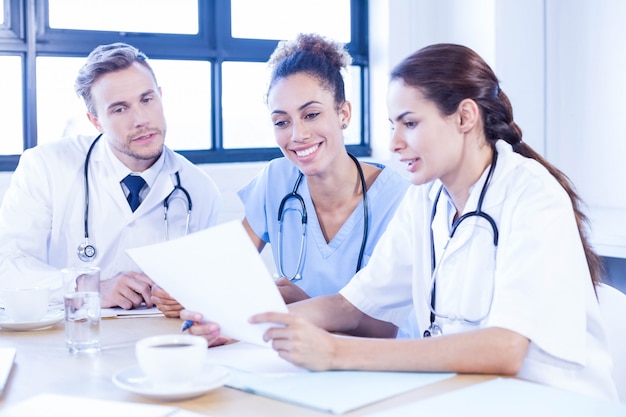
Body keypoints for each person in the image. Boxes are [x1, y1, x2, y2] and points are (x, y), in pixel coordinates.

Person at [182, 43, 618, 401]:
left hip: (550, 401)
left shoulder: (532, 195)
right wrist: (239, 324)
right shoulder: (426, 199)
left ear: (465, 117)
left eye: (409, 123)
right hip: (467, 394)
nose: (393, 143)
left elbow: (503, 349)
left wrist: (336, 352)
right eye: (393, 124)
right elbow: (351, 304)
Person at [0, 42, 222, 317]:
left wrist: (188, 296)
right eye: (119, 109)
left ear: (161, 97)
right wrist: (87, 288)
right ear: (95, 121)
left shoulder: (198, 189)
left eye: (147, 99)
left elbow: (208, 287)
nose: (140, 119)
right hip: (70, 338)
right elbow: (7, 267)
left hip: (159, 340)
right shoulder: (46, 166)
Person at [236, 33, 412, 336]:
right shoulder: (275, 180)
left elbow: (389, 329)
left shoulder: (400, 200)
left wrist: (306, 308)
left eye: (311, 114)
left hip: (377, 368)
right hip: (295, 357)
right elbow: (225, 270)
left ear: (343, 113)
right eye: (282, 121)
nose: (297, 135)